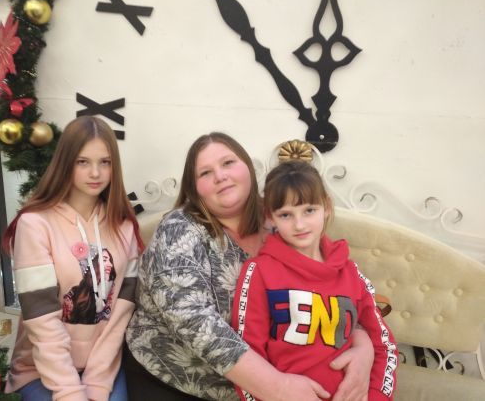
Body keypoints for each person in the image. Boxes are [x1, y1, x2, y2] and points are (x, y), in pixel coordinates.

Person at [125, 132, 375, 401]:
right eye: (206, 173)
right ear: (194, 188)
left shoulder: (283, 219)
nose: (220, 176)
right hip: (174, 381)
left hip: (259, 391)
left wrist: (363, 347)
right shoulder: (179, 230)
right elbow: (192, 321)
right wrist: (277, 387)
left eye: (228, 163)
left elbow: (330, 285)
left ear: (248, 168)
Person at [231, 160, 398, 400]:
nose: (299, 224)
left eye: (309, 210)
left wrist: (376, 397)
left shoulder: (350, 272)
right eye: (286, 215)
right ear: (270, 217)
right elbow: (245, 357)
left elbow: (383, 344)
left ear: (326, 207)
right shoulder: (259, 272)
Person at [4, 116, 143, 401]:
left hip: (103, 367)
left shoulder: (124, 225)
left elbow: (119, 317)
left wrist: (97, 380)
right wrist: (69, 392)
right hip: (40, 369)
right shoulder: (35, 224)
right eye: (83, 162)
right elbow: (42, 321)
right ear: (65, 162)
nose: (95, 173)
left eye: (105, 162)